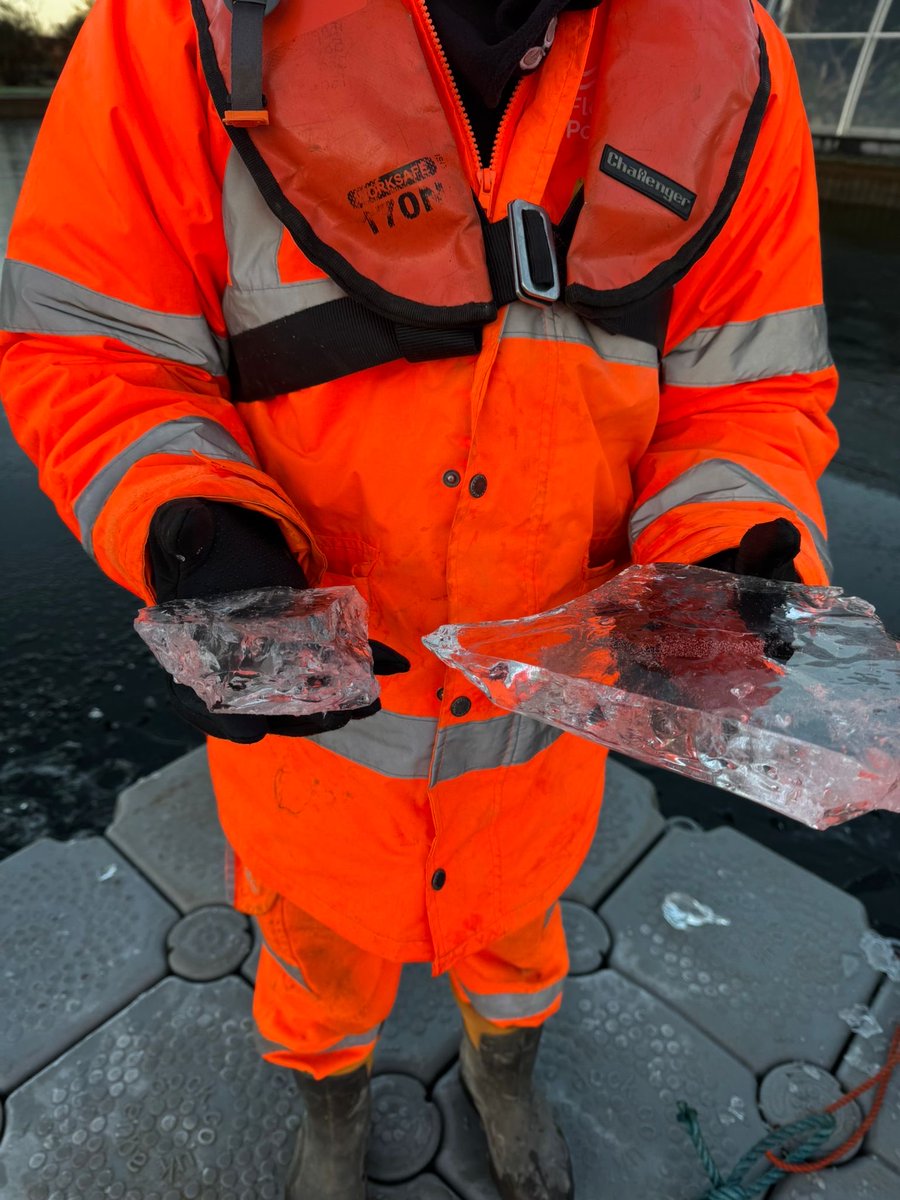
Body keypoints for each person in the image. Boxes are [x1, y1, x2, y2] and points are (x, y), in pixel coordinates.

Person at [0, 0, 838, 1196]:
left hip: (541, 739)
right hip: (311, 745)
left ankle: (505, 1074)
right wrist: (192, 528)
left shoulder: (738, 52)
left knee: (522, 936)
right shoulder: (169, 25)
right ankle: (329, 1112)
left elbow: (753, 390)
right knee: (311, 959)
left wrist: (728, 552)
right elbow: (93, 345)